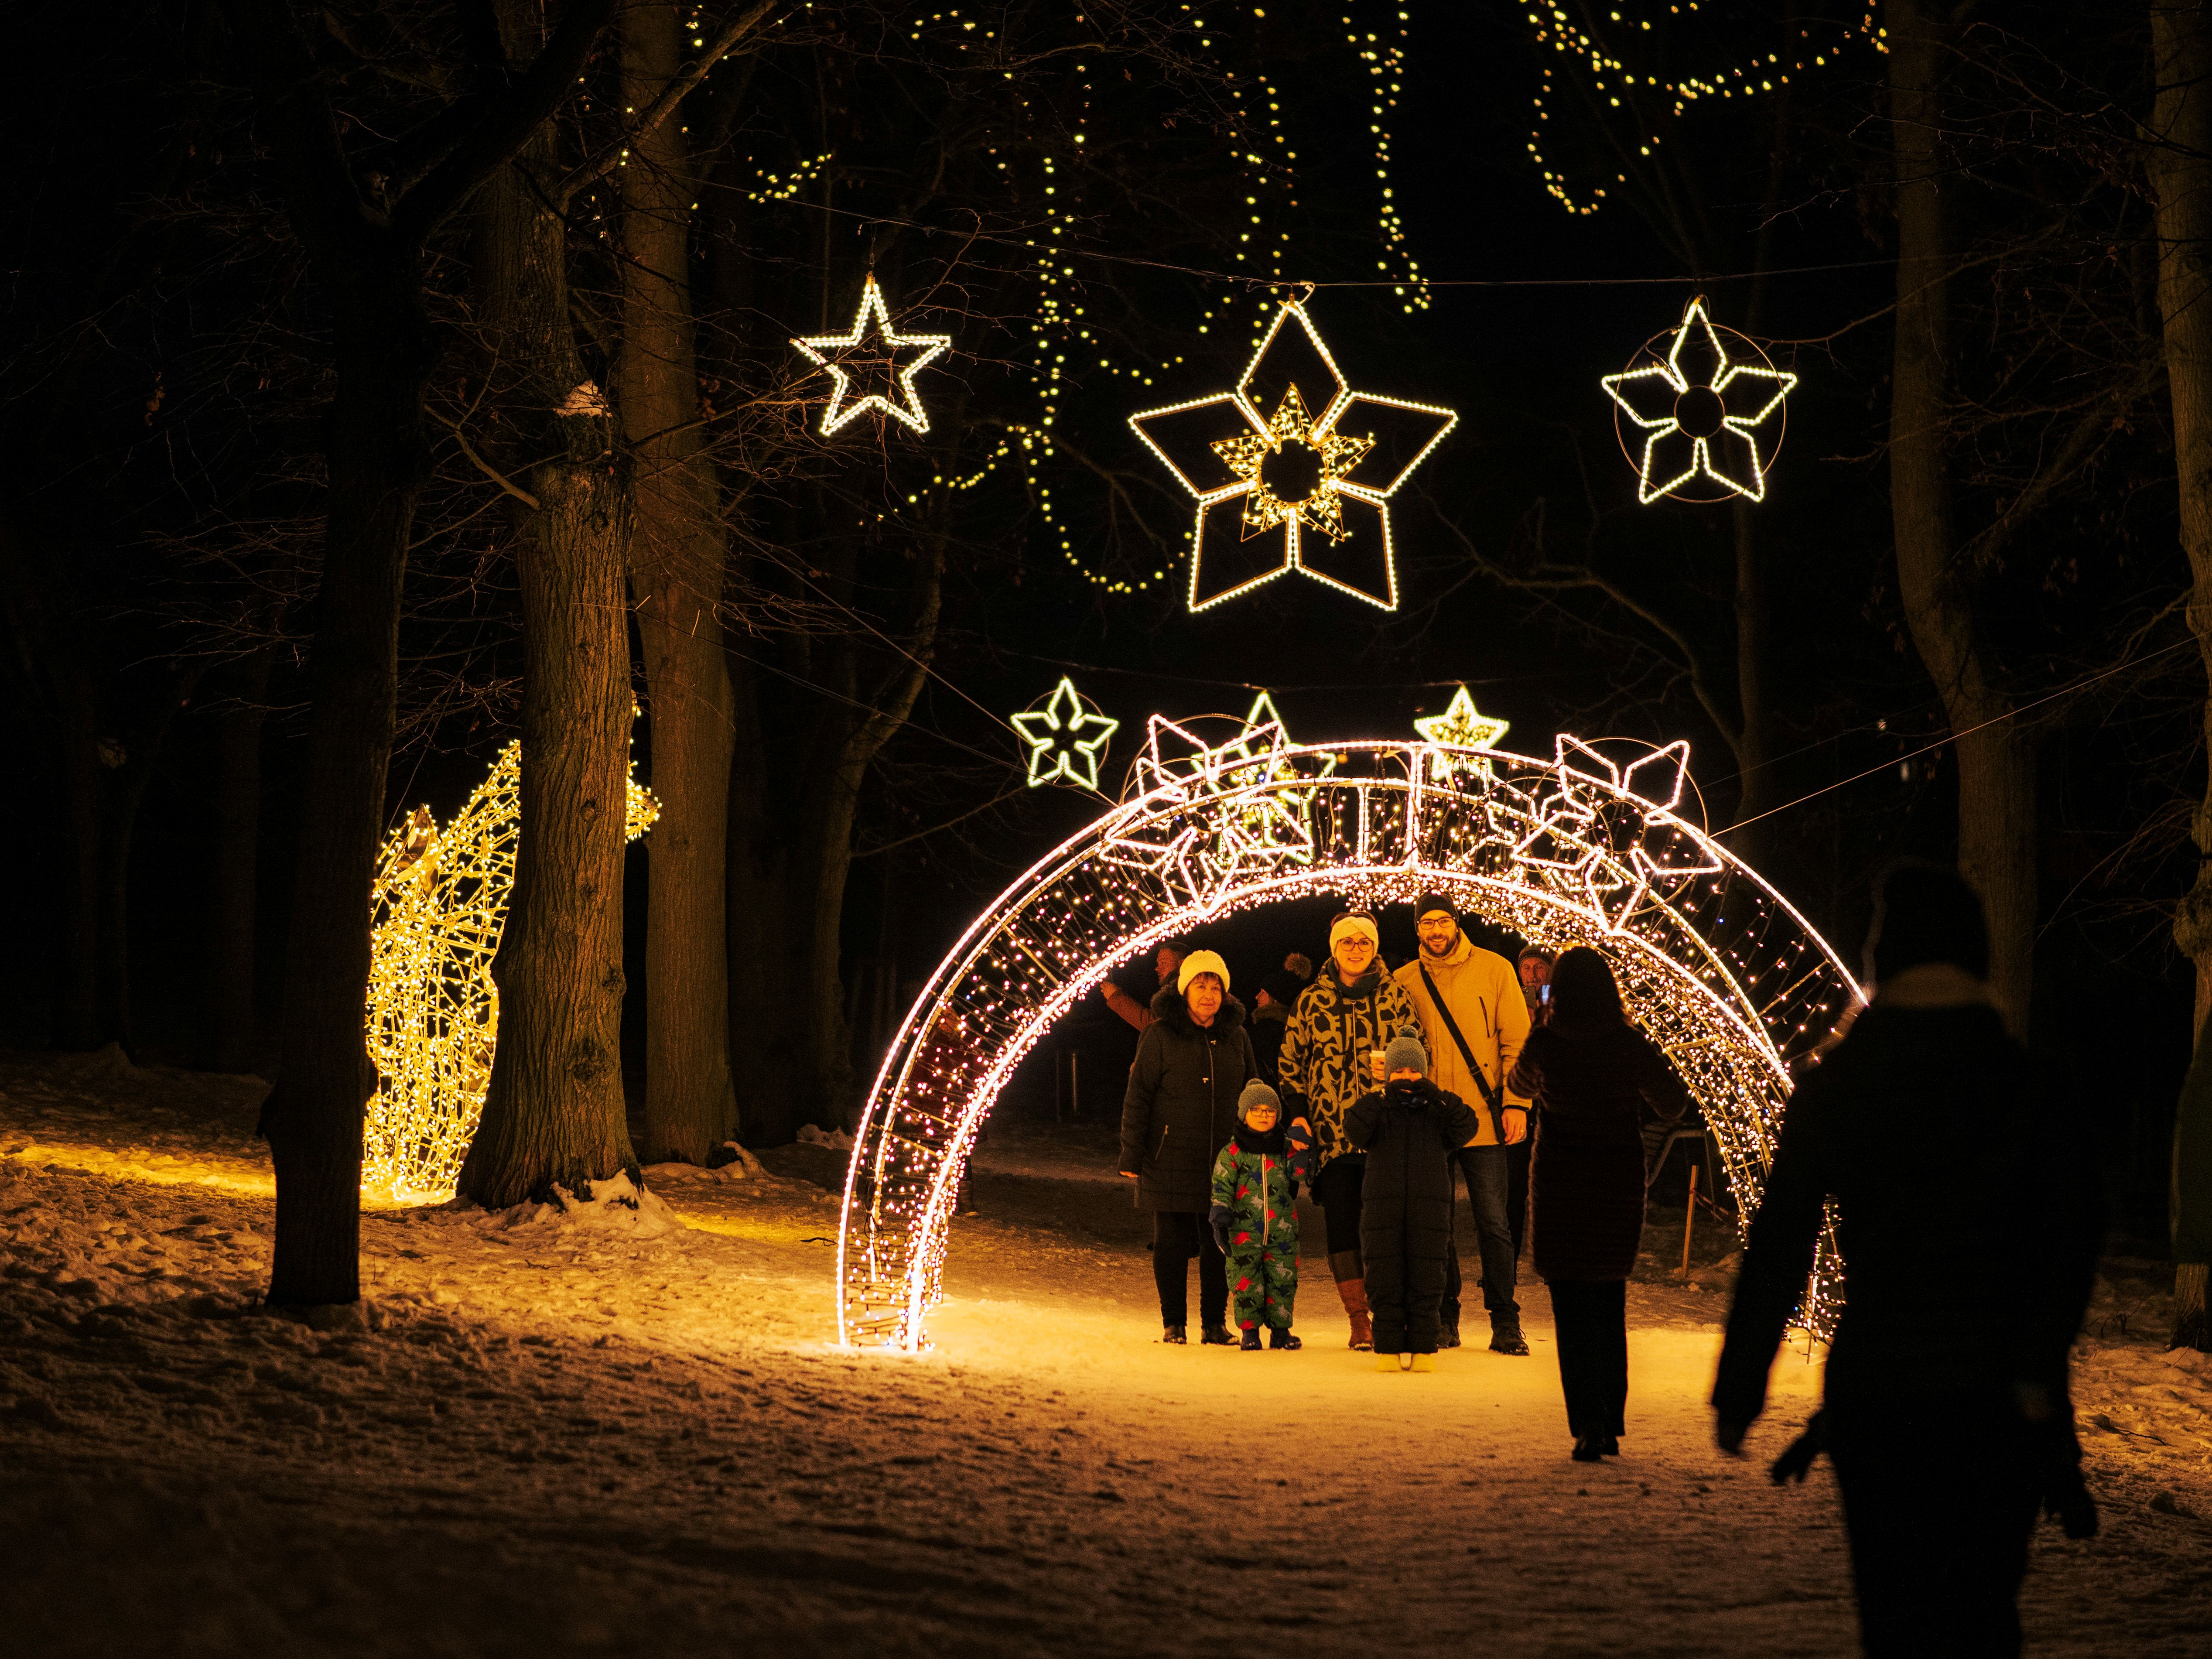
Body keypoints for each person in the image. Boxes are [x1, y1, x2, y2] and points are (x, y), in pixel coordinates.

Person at [1711, 863, 2102, 1657]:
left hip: (1878, 1385)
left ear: (1883, 959)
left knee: (1894, 1610)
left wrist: (1742, 1381)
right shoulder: (2032, 1085)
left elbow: (1782, 1239)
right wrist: (2036, 1369)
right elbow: (2069, 1241)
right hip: (1998, 1393)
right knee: (1983, 1605)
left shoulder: (1840, 1084)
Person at [1507, 947, 1689, 1461]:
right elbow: (1673, 1102)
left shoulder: (1546, 1040)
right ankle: (1610, 1418)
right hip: (1614, 1180)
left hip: (1562, 1180)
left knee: (1570, 1308)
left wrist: (1539, 1027)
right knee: (1608, 1303)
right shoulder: (1627, 1043)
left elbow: (1517, 1084)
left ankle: (1585, 1420)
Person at [1394, 894, 1532, 1355]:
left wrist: (1517, 1104)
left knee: (1494, 1222)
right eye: (1427, 922)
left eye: (1443, 921)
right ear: (1417, 929)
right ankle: (1444, 1316)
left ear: (1457, 923)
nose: (1436, 930)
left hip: (1484, 1116)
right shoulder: (1404, 980)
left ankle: (1505, 1319)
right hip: (1429, 1120)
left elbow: (1517, 1043)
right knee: (1439, 1224)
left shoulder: (1494, 969)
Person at [1277, 910, 1421, 1350]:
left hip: (1386, 1132)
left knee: (1385, 1227)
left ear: (1374, 948)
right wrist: (1299, 1113)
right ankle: (1358, 1319)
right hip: (1332, 1134)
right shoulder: (1311, 1000)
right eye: (1347, 943)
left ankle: (1389, 1311)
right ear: (1334, 948)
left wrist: (1400, 1070)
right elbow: (1290, 1064)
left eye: (1363, 943)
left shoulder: (1396, 996)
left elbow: (1418, 1052)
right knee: (1341, 1223)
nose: (1355, 950)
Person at [1118, 949, 1257, 1345]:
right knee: (1172, 1242)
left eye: (1216, 987)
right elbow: (1138, 1096)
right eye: (1200, 985)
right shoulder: (1158, 1035)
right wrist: (1131, 1152)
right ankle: (1173, 1323)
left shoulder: (1237, 1037)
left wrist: (1256, 1146)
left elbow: (1254, 1094)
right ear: (1184, 990)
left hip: (1224, 1160)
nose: (1209, 994)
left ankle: (1214, 1323)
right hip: (1169, 1155)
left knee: (1219, 1243)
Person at [1343, 1034, 1483, 1372]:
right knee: (1384, 1273)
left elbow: (1467, 1126)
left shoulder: (1438, 1111)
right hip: (1382, 1208)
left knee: (1427, 1275)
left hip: (1429, 1208)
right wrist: (1381, 1096)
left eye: (1413, 1069)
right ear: (1387, 1073)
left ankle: (1424, 1347)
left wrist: (1437, 1096)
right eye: (1399, 1070)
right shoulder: (1377, 1107)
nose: (1406, 1076)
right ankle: (1388, 1346)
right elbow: (1354, 1128)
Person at [1208, 1081, 1313, 1351]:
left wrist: (1303, 1157)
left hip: (1283, 1232)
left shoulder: (1285, 1147)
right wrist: (1220, 1215)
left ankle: (1281, 1331)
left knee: (1283, 1280)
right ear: (1244, 1114)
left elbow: (1299, 1175)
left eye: (1270, 1110)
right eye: (1257, 1110)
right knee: (1245, 1281)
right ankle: (1250, 1332)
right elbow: (1221, 1187)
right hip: (1244, 1233)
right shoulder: (1232, 1153)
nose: (1264, 1115)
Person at [1101, 940, 1189, 1033]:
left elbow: (1157, 1026)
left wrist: (1116, 997)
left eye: (1164, 963)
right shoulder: (1176, 991)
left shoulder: (1186, 990)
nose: (1157, 968)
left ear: (1182, 963)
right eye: (1158, 964)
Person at [1248, 966, 1305, 1084]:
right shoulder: (1295, 1026)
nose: (1257, 996)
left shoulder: (1266, 1028)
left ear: (1275, 998)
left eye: (1263, 992)